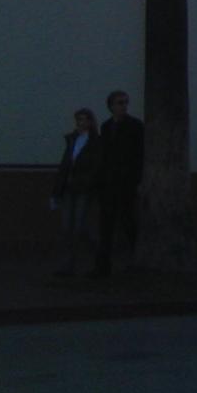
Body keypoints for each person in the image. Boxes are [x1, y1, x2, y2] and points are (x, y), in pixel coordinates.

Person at [94, 87, 144, 275]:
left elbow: (139, 154)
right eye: (120, 103)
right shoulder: (107, 127)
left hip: (126, 181)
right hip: (109, 182)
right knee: (106, 223)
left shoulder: (135, 126)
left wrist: (137, 179)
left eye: (125, 102)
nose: (124, 106)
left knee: (128, 221)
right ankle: (103, 265)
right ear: (111, 106)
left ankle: (137, 261)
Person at [50, 105, 99, 275]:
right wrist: (57, 190)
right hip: (69, 187)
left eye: (84, 119)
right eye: (79, 119)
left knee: (78, 226)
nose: (81, 122)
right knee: (67, 227)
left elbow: (94, 167)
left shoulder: (94, 142)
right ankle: (68, 263)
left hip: (83, 188)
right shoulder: (72, 140)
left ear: (90, 122)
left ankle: (81, 260)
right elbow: (65, 166)